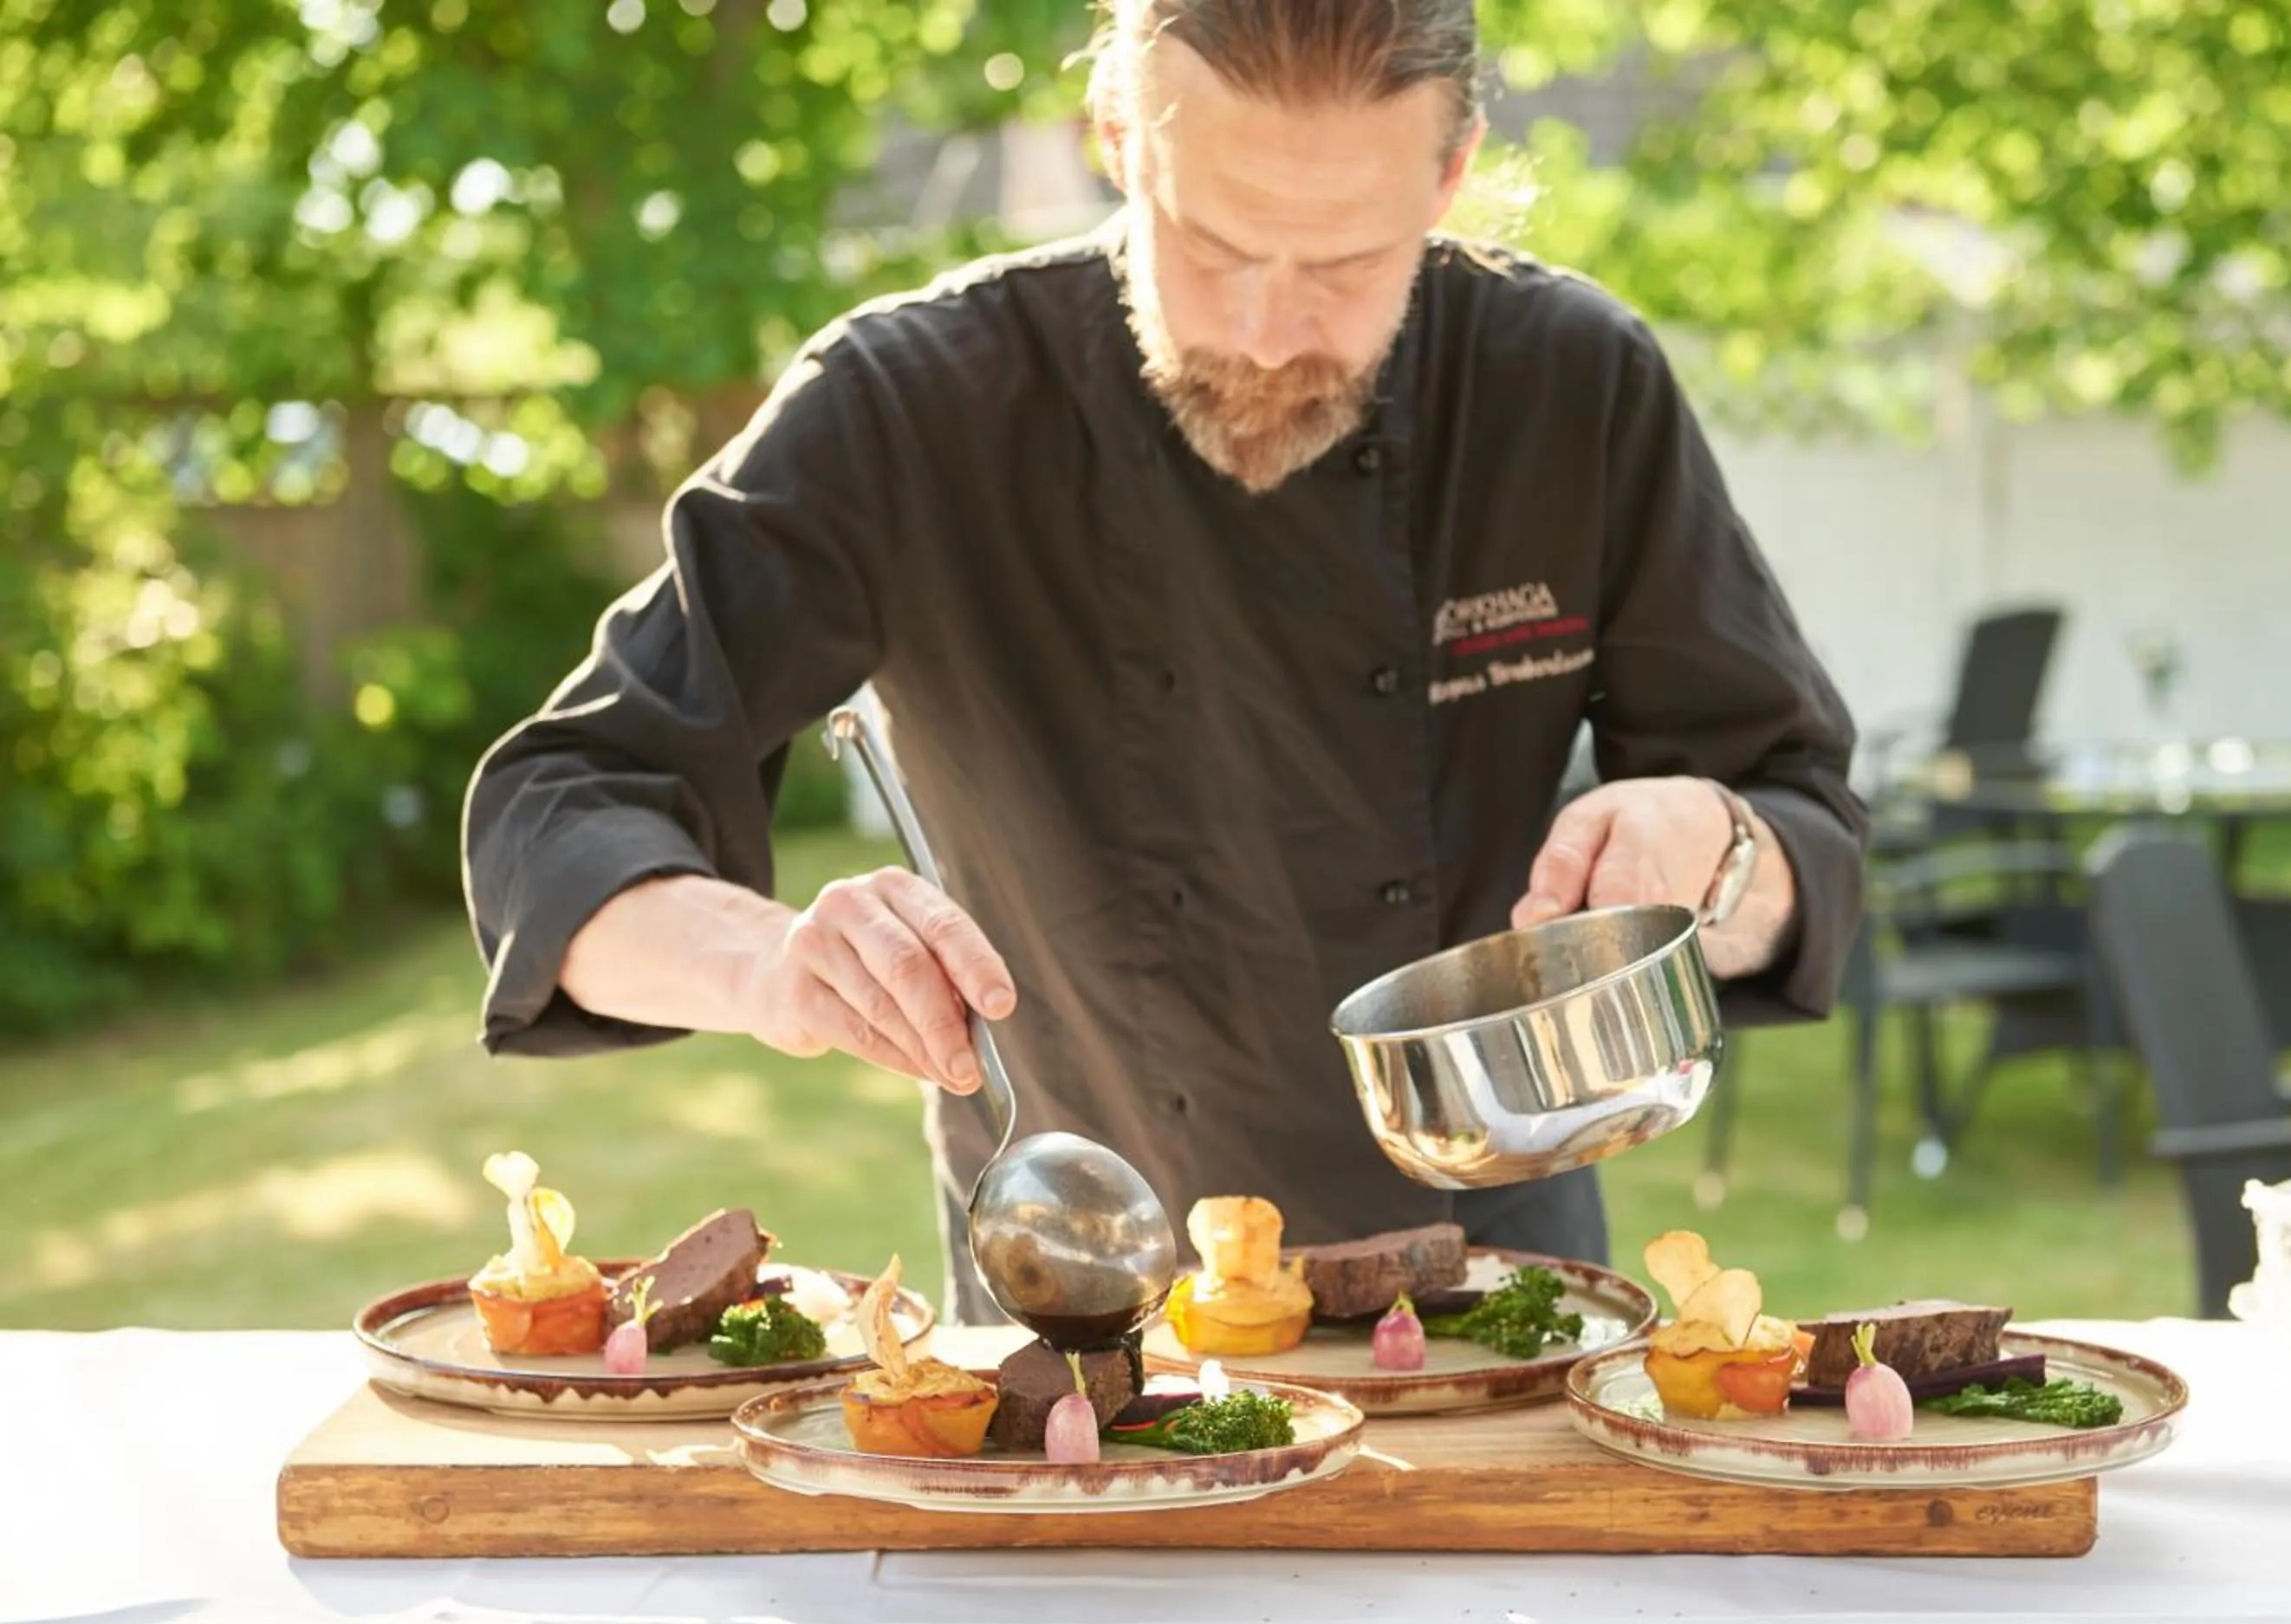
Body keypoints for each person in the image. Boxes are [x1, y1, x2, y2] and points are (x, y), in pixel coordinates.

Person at [463, 0, 1866, 1322]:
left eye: (1346, 265)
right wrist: (773, 966)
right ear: (1118, 139)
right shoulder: (912, 405)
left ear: (1450, 179)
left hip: (1504, 1291)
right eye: (1212, 244)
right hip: (1087, 1283)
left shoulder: (1569, 383)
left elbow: (1802, 827)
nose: (1267, 333)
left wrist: (1719, 854)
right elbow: (555, 810)